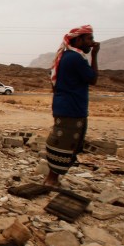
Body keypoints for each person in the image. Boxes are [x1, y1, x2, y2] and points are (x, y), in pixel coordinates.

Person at [44, 25, 100, 186]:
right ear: (78, 39)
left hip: (66, 106)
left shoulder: (66, 56)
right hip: (72, 108)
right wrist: (95, 55)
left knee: (65, 141)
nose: (92, 42)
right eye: (89, 38)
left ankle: (52, 178)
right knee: (64, 142)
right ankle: (51, 180)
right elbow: (93, 79)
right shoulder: (75, 58)